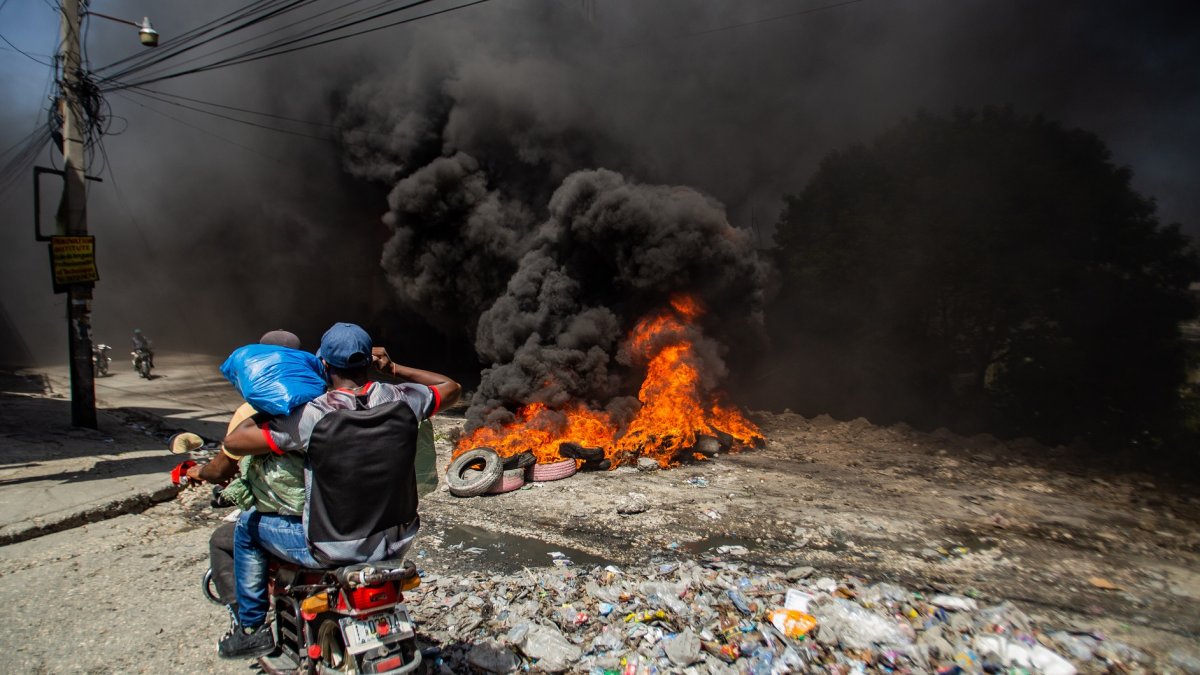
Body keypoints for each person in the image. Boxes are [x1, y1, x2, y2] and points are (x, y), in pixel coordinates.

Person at [216, 322, 460, 659]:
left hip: (333, 547)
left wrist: (269, 398)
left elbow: (235, 442)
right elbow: (451, 387)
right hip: (396, 539)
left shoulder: (311, 415)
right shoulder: (402, 400)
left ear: (325, 366)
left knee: (245, 527)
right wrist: (394, 368)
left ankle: (252, 630)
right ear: (369, 363)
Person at [181, 330, 312, 644]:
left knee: (232, 536)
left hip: (296, 521)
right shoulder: (325, 400)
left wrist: (199, 472)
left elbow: (223, 464)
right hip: (338, 515)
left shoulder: (251, 413)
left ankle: (250, 626)